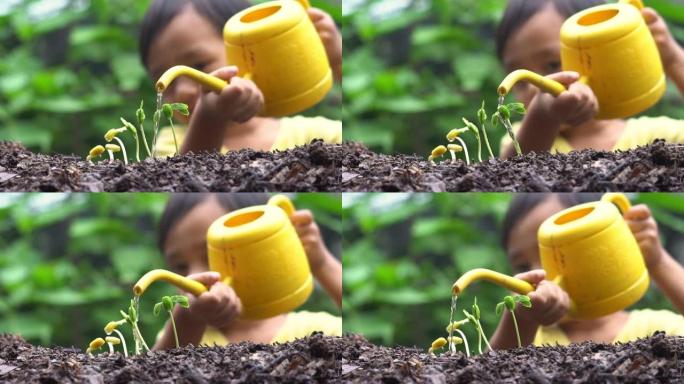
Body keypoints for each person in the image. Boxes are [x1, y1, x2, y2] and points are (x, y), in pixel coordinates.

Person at [138, 0, 342, 156]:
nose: (183, 91)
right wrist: (209, 118)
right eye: (166, 80)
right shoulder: (170, 143)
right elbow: (182, 182)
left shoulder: (316, 135)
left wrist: (338, 64)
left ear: (249, 48)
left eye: (199, 65)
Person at [490, 193, 684, 349]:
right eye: (522, 267)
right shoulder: (527, 343)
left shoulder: (658, 331)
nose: (538, 275)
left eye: (550, 257)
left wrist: (658, 262)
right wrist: (521, 321)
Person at [496, 0, 684, 159]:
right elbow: (509, 173)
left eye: (553, 65)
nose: (533, 88)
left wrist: (674, 59)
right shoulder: (522, 137)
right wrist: (543, 115)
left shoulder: (658, 136)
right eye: (520, 81)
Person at [153, 193, 342, 349]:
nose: (193, 277)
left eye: (211, 256)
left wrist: (322, 264)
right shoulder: (184, 338)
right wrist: (188, 319)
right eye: (180, 267)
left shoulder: (316, 332)